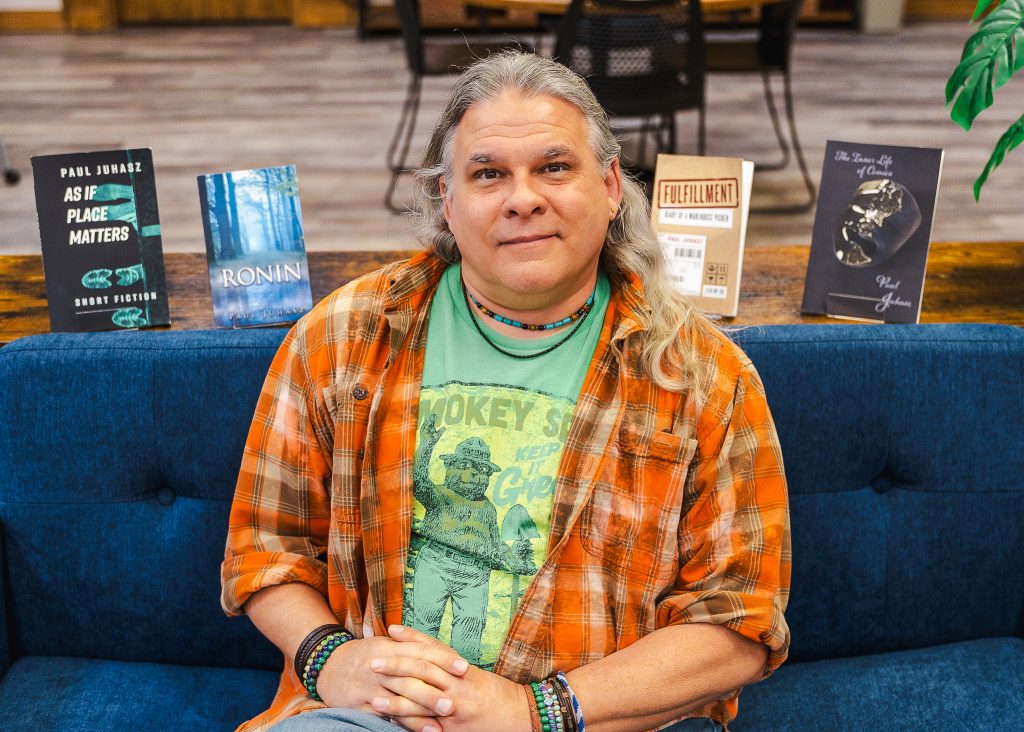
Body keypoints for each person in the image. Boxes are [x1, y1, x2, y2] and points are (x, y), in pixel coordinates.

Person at [221, 50, 790, 732]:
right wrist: (329, 659)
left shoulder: (706, 378)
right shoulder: (340, 339)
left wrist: (532, 710)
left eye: (554, 167)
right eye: (489, 174)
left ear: (610, 186)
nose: (524, 198)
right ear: (448, 199)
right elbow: (263, 550)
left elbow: (740, 624)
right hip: (377, 717)